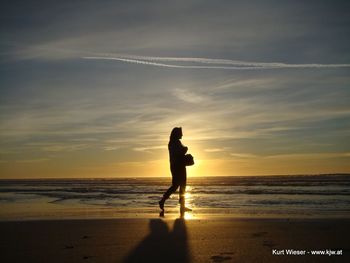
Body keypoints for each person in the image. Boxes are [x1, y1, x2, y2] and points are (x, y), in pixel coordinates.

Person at [159, 127, 192, 215]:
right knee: (176, 186)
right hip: (177, 166)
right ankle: (163, 200)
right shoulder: (174, 143)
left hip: (178, 166)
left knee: (181, 186)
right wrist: (185, 149)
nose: (182, 135)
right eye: (181, 133)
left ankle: (182, 206)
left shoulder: (174, 142)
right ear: (176, 133)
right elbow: (179, 153)